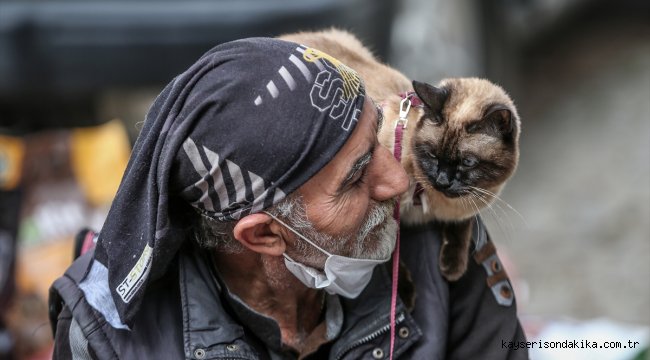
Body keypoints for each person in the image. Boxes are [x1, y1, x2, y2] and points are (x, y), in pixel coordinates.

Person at [49, 38, 528, 359]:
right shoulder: (105, 342)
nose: (399, 184)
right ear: (264, 233)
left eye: (376, 142)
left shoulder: (433, 233)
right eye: (358, 175)